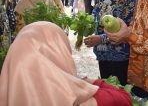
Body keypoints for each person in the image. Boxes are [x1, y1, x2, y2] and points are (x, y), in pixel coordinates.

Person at [0, 21, 132, 106]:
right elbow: (123, 99)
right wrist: (90, 82)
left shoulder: (7, 94)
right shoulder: (76, 99)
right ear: (57, 53)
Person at [84, 0, 137, 86]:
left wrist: (99, 39)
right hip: (102, 52)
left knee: (118, 93)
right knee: (106, 90)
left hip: (119, 55)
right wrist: (88, 26)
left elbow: (124, 31)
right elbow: (96, 13)